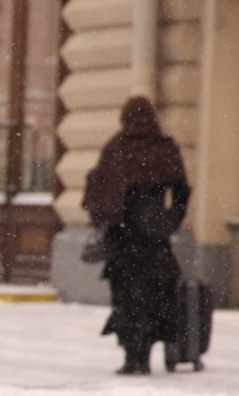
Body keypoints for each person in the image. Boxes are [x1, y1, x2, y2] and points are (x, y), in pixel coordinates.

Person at [82, 96, 191, 375]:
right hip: (154, 238)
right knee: (156, 295)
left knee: (127, 297)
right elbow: (181, 189)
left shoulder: (117, 148)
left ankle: (133, 356)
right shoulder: (163, 148)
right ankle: (147, 349)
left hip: (123, 238)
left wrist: (104, 219)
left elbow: (97, 191)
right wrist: (170, 220)